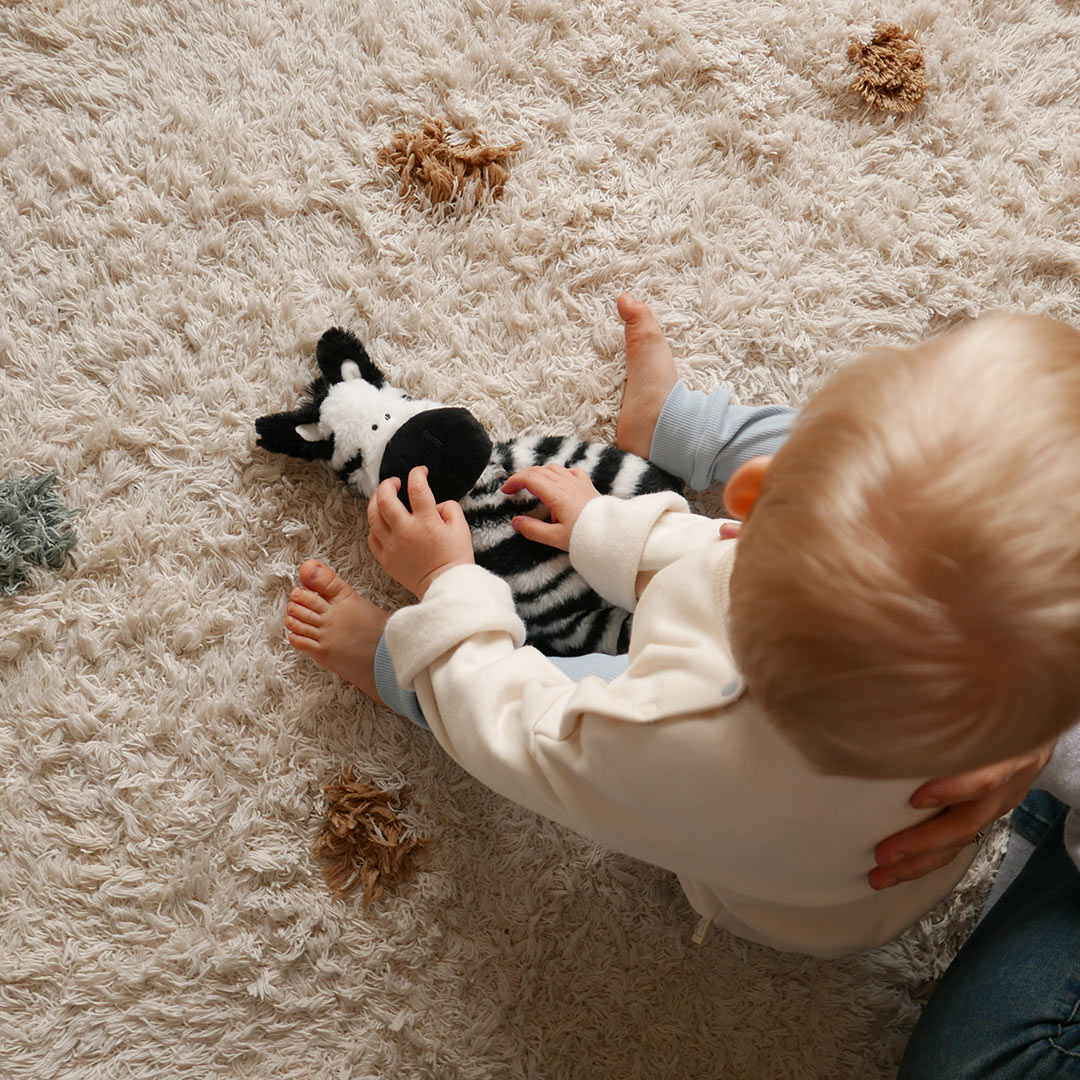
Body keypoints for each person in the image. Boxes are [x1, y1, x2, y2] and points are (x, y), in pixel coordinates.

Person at [284, 297, 1079, 961]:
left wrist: (449, 584)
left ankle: (397, 666)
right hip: (866, 832)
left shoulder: (672, 733)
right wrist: (605, 531)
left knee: (524, 687)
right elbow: (727, 558)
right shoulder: (1020, 672)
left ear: (752, 498)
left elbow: (520, 738)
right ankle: (672, 423)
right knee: (909, 480)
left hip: (761, 875)